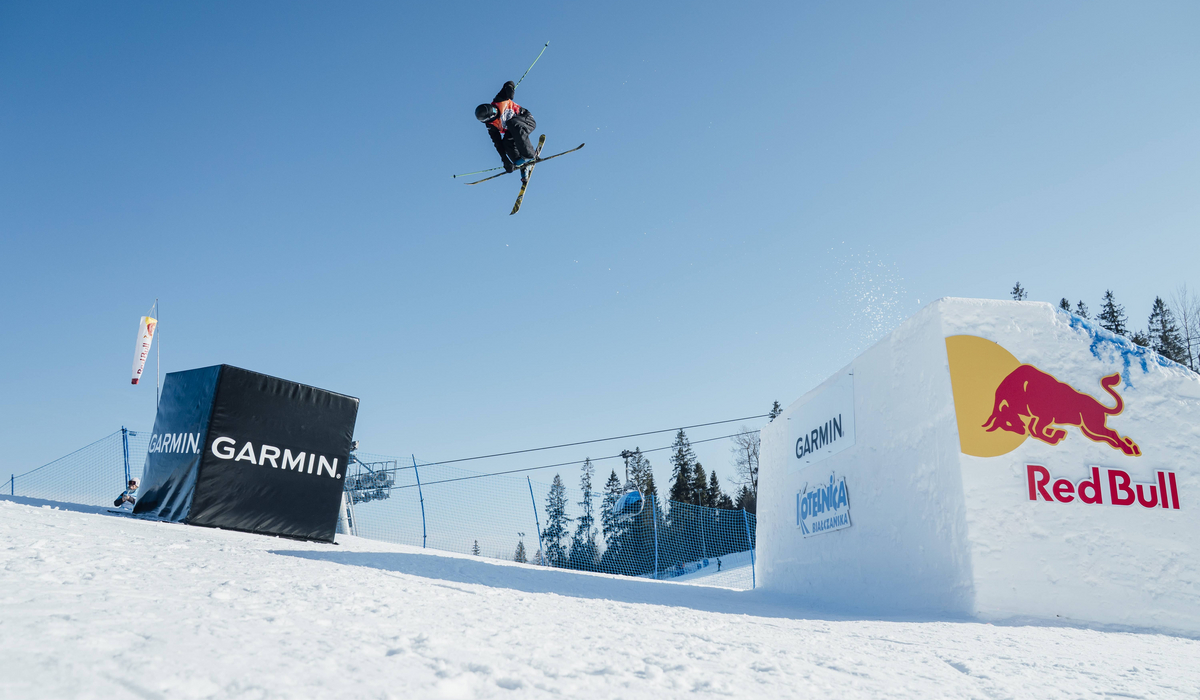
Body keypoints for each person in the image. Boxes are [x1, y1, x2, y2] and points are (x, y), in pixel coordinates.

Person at [475, 81, 538, 178]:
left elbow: (509, 83)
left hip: (526, 120)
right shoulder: (492, 126)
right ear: (489, 118)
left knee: (511, 123)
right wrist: (505, 159)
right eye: (494, 114)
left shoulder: (499, 100)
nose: (496, 111)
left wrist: (509, 88)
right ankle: (521, 163)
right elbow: (498, 143)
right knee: (506, 142)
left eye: (495, 109)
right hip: (514, 130)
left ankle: (529, 155)